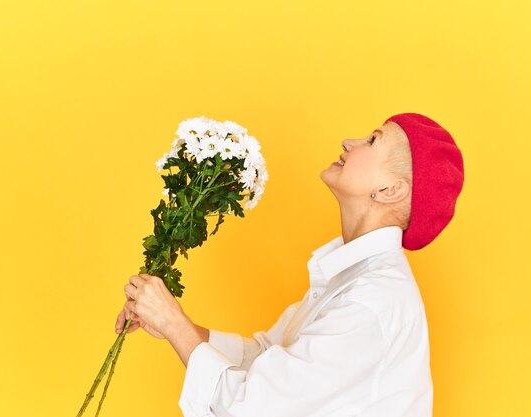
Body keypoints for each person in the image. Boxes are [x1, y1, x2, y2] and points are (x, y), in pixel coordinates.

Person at [115, 112, 465, 417]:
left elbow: (251, 407)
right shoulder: (352, 280)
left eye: (372, 141)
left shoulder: (371, 302)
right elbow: (266, 355)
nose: (349, 142)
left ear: (391, 190)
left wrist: (174, 325)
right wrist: (179, 326)